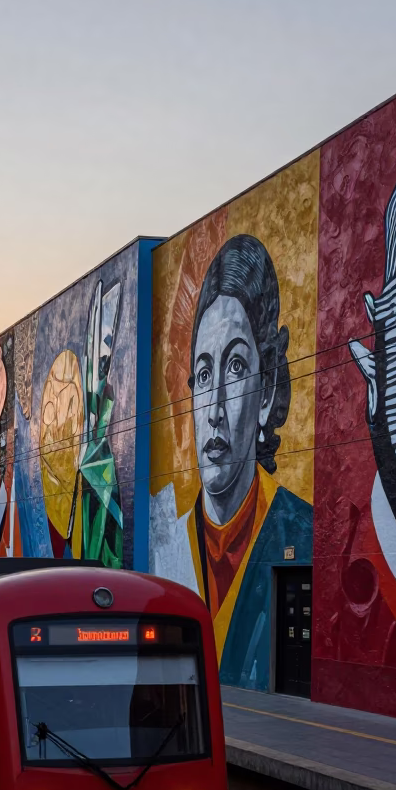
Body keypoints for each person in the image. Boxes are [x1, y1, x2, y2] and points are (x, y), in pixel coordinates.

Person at [154, 234, 313, 690]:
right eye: (204, 375)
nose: (215, 408)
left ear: (266, 392)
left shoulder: (301, 532)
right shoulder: (170, 544)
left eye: (236, 367)